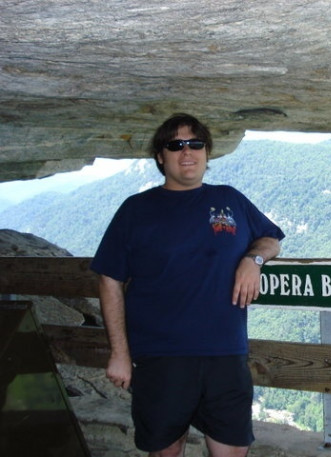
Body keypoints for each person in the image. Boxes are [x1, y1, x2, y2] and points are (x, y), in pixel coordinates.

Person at [90, 113, 285, 457]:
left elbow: (271, 238)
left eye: (195, 144)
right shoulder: (136, 210)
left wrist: (252, 260)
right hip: (162, 357)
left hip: (226, 355)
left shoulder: (230, 199)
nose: (187, 152)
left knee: (233, 452)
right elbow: (109, 278)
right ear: (160, 157)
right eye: (175, 145)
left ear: (207, 153)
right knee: (166, 450)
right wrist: (120, 353)